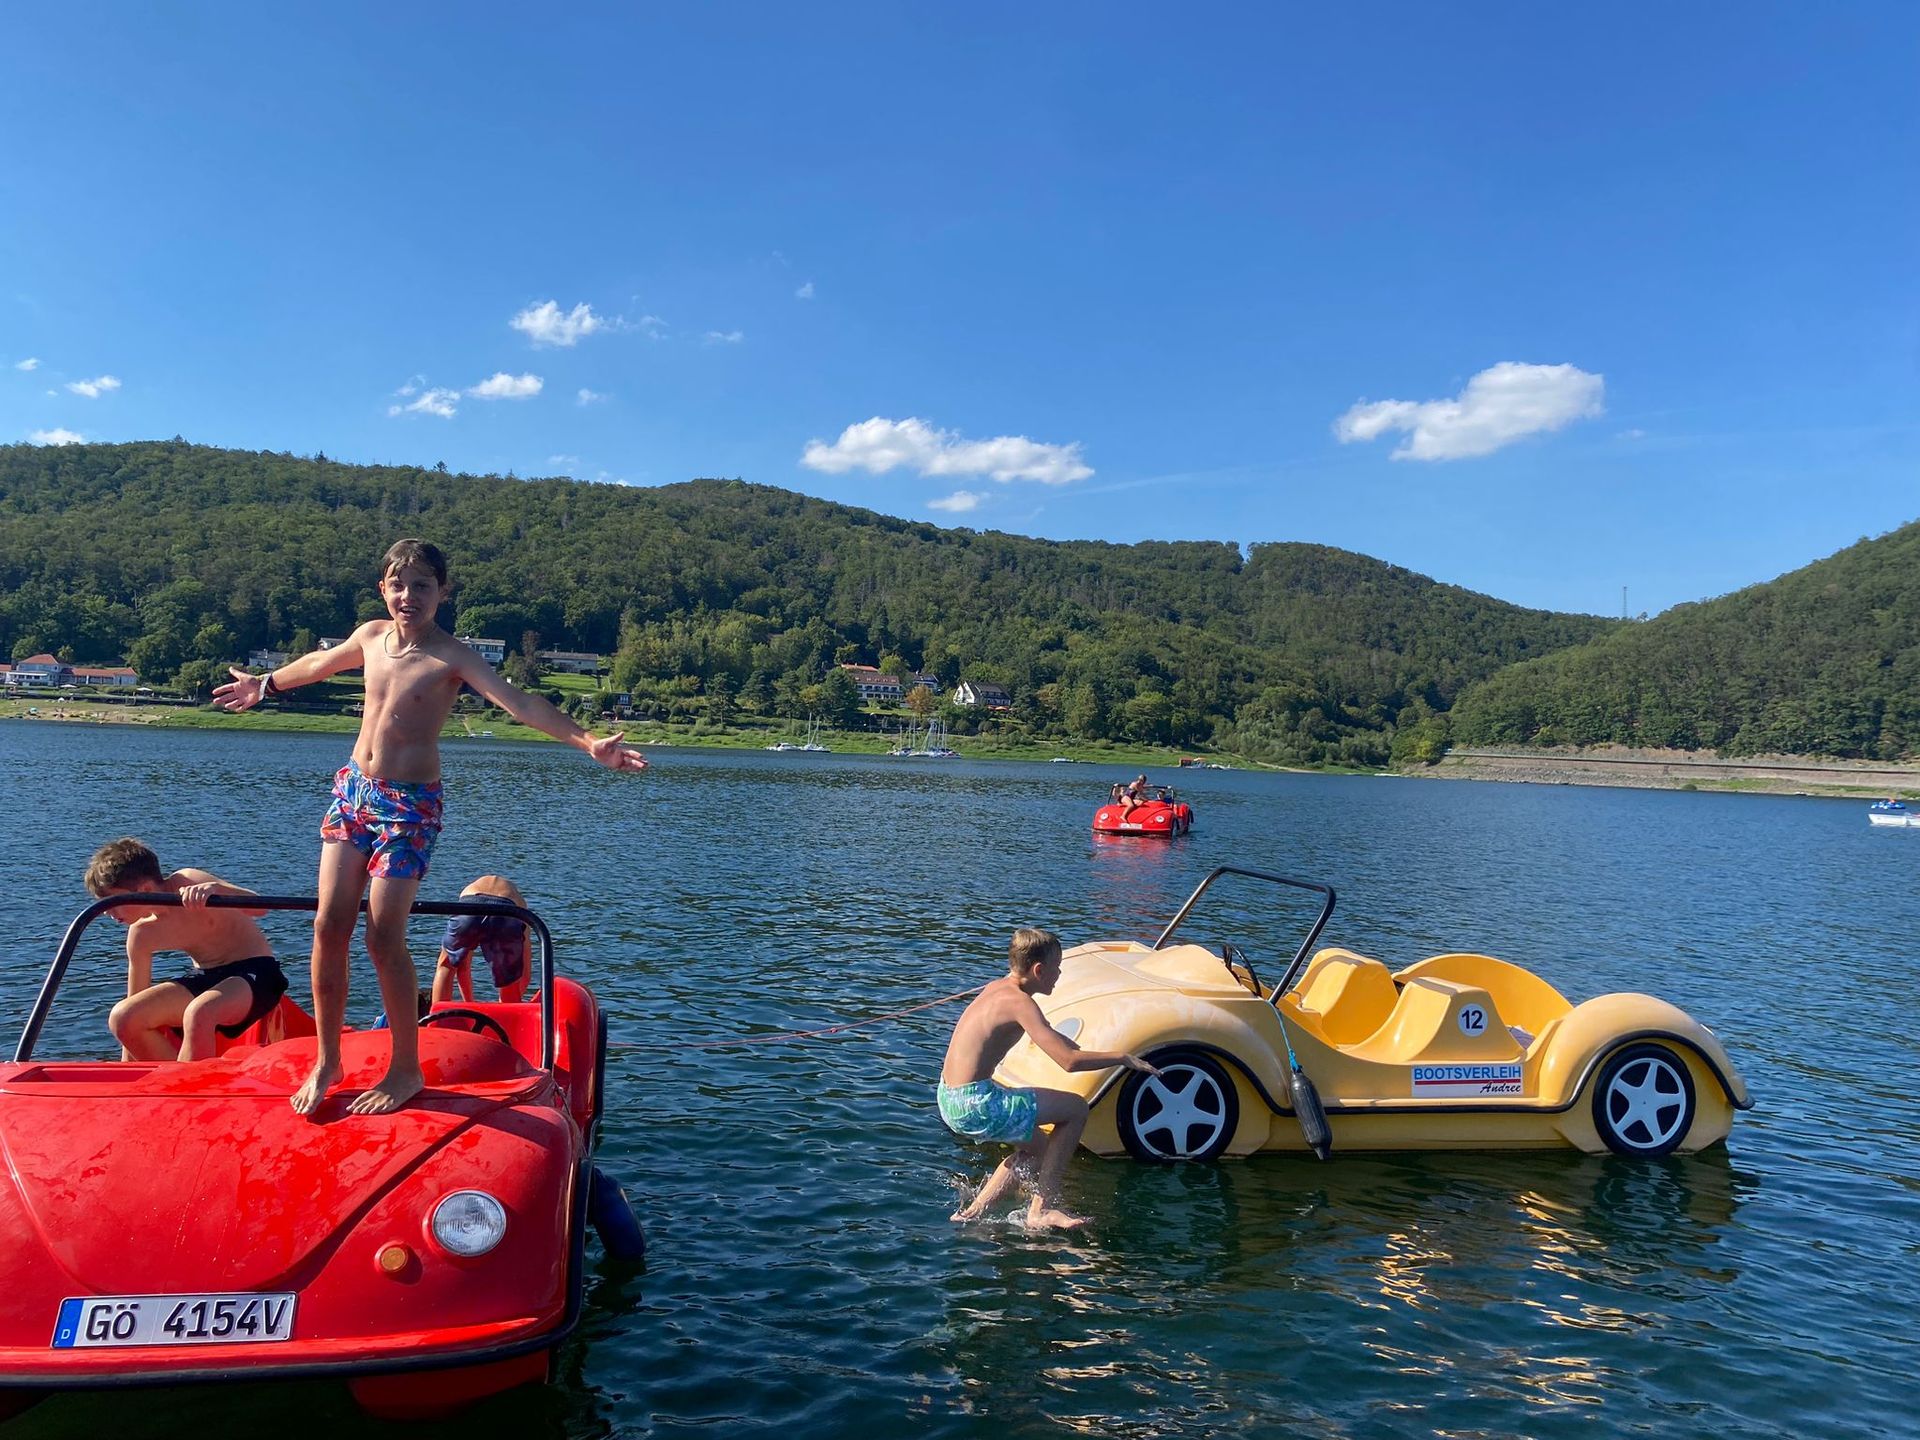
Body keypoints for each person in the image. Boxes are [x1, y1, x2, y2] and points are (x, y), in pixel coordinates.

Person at [212, 538, 648, 1117]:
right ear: (382, 591)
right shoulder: (370, 636)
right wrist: (264, 686)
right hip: (353, 793)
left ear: (442, 593)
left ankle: (405, 1067)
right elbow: (319, 665)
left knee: (382, 934)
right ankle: (328, 1060)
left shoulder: (453, 656)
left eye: (421, 586)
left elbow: (520, 704)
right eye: (398, 585)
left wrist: (589, 742)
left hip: (409, 809)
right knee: (327, 925)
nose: (407, 596)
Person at [937, 927, 1159, 1230]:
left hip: (950, 1097)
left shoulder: (997, 988)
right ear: (1039, 970)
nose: (1059, 974)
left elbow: (1044, 1031)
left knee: (1038, 1146)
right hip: (976, 1102)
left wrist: (1062, 1039)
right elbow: (1068, 1062)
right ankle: (1042, 1209)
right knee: (1076, 1109)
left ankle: (973, 1212)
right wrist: (1123, 1058)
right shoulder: (1020, 1003)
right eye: (1057, 968)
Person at [83, 838, 289, 1062]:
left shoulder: (188, 882)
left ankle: (191, 1089)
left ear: (145, 889)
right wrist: (127, 1069)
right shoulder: (141, 934)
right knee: (123, 1017)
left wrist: (216, 890)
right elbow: (134, 1001)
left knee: (199, 1012)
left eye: (113, 901)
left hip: (257, 971)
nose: (107, 912)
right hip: (206, 977)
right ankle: (176, 1082)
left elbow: (261, 908)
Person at [433, 874, 532, 1005]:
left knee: (447, 965)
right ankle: (509, 1016)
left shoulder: (474, 886)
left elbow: (463, 968)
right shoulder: (521, 905)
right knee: (510, 979)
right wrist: (516, 996)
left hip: (469, 904)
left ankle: (436, 1018)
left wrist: (470, 1003)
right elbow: (525, 974)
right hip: (506, 911)